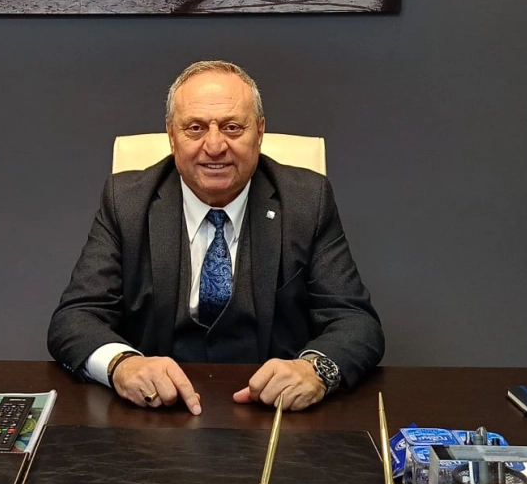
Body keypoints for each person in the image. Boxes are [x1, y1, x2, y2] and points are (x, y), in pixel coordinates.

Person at [46, 61, 384, 413]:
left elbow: (356, 322)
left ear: (260, 132)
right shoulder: (127, 201)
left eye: (232, 127)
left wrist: (315, 369)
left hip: (275, 413)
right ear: (171, 135)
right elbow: (75, 318)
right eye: (195, 128)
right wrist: (122, 365)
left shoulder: (306, 201)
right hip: (158, 413)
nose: (214, 145)